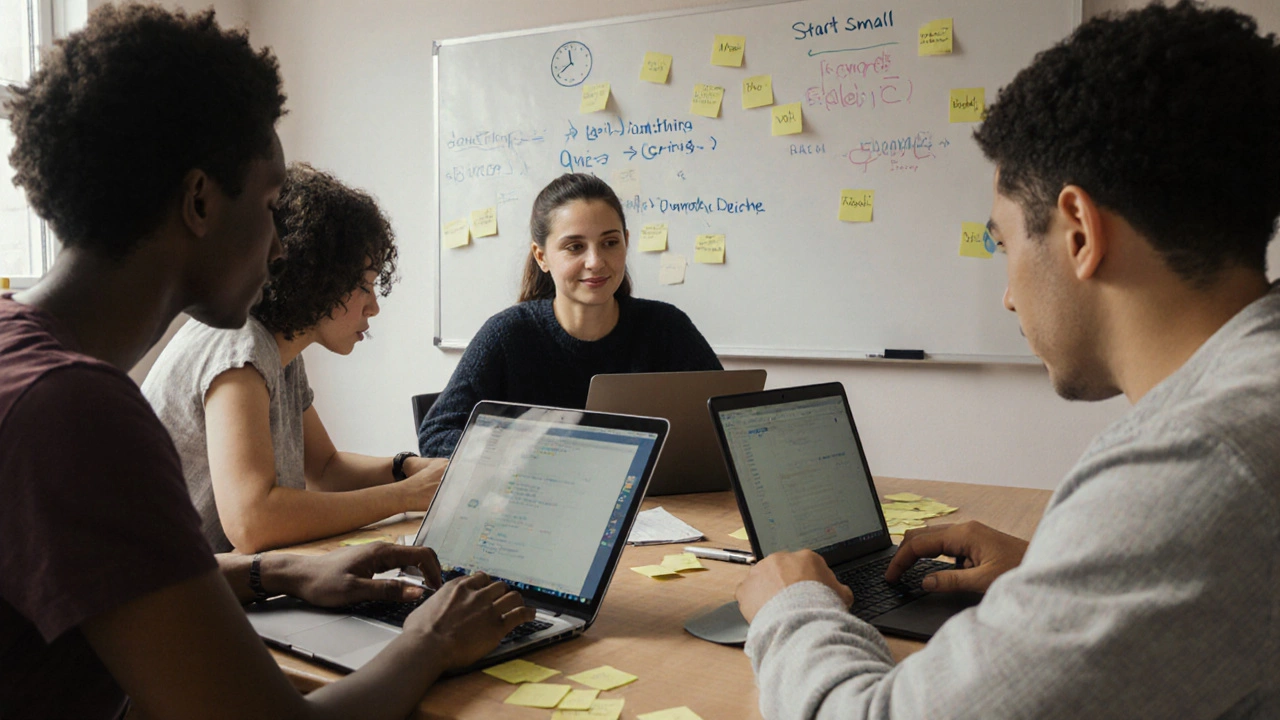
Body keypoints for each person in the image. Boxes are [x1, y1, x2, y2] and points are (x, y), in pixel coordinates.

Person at [734, 2, 1280, 718]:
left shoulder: (1200, 462)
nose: (1008, 298)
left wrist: (793, 606)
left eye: (1003, 243)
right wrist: (1057, 578)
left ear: (1079, 231)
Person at [0, 6, 532, 719]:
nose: (282, 248)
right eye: (274, 204)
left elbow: (117, 580)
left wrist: (279, 572)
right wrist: (433, 638)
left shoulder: (22, 357)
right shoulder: (77, 411)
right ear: (199, 201)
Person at [143, 162, 442, 553]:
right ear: (319, 277)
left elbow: (324, 469)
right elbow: (253, 522)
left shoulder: (279, 350)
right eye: (364, 286)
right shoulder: (239, 349)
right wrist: (403, 496)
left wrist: (407, 469)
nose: (373, 308)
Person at [418, 172, 722, 456]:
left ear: (626, 242)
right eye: (575, 247)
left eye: (610, 243)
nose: (595, 261)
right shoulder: (508, 333)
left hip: (655, 507)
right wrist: (539, 457)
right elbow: (437, 435)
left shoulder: (666, 327)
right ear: (542, 257)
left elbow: (727, 423)